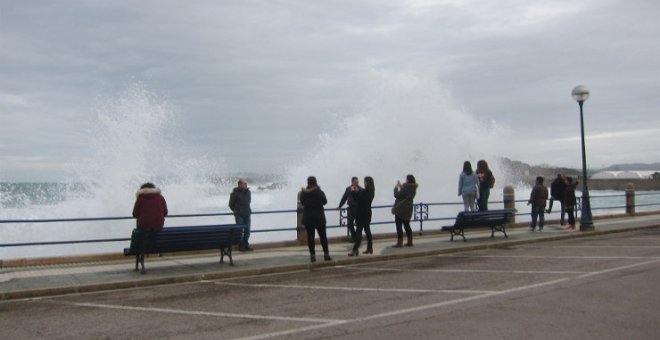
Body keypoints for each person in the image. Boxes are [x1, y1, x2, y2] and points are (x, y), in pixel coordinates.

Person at [132, 182, 168, 274]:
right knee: (152, 232)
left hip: (144, 228)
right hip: (158, 227)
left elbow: (135, 214)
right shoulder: (160, 197)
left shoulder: (141, 198)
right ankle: (157, 248)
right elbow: (165, 213)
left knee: (141, 236)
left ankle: (139, 264)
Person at [299, 176, 332, 262]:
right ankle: (326, 254)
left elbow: (302, 202)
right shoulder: (319, 192)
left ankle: (312, 256)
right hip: (319, 218)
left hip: (308, 218)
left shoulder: (304, 193)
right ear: (316, 182)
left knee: (310, 237)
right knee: (323, 237)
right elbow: (325, 202)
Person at [348, 176, 375, 256]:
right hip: (367, 213)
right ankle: (369, 248)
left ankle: (355, 249)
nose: (364, 183)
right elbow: (362, 197)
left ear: (367, 182)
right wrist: (358, 192)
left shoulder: (366, 191)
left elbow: (358, 199)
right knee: (367, 231)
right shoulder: (371, 190)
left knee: (359, 232)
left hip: (361, 213)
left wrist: (353, 192)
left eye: (365, 181)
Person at [392, 174, 417, 248]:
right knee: (406, 225)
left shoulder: (405, 187)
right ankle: (410, 241)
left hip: (400, 209)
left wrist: (396, 188)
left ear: (408, 180)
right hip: (408, 209)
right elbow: (406, 192)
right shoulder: (413, 188)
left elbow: (397, 195)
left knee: (399, 225)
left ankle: (399, 243)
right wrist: (401, 186)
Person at [229, 178, 253, 251]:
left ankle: (246, 244)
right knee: (240, 231)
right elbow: (231, 204)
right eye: (244, 183)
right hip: (239, 214)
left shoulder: (248, 192)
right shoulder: (234, 193)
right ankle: (241, 245)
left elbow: (249, 202)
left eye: (246, 183)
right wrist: (237, 211)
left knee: (248, 230)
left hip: (247, 214)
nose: (246, 185)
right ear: (240, 185)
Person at [338, 176, 361, 242]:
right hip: (351, 208)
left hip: (358, 208)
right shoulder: (348, 189)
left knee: (359, 224)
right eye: (355, 182)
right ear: (352, 182)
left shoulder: (360, 189)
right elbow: (344, 197)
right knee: (350, 223)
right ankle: (354, 237)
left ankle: (357, 238)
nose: (357, 183)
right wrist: (340, 206)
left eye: (357, 182)